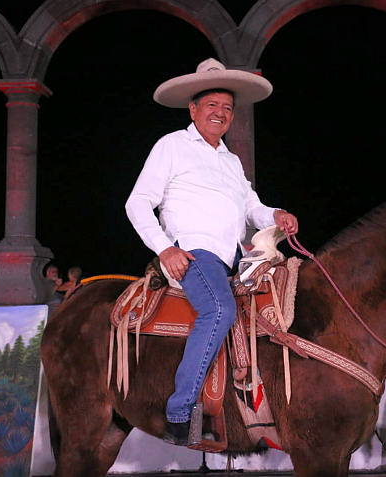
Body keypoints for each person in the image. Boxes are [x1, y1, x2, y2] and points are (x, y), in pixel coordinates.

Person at [125, 58, 299, 446]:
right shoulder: (171, 145)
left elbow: (252, 208)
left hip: (236, 256)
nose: (220, 113)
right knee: (219, 309)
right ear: (193, 109)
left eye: (227, 108)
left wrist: (277, 214)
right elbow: (137, 203)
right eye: (212, 105)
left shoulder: (231, 160)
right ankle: (179, 411)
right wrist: (166, 248)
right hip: (193, 253)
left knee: (291, 298)